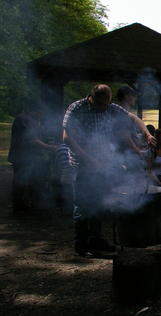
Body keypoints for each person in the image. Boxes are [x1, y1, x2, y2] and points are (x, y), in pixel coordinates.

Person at [63, 84, 156, 257]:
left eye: (108, 104)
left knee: (98, 203)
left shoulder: (110, 107)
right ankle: (81, 245)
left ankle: (96, 240)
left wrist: (147, 134)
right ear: (93, 98)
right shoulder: (77, 108)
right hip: (82, 166)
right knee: (83, 206)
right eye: (102, 104)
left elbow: (134, 119)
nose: (106, 108)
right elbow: (68, 139)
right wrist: (90, 160)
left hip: (102, 165)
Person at [8, 101, 56, 212]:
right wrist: (51, 148)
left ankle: (24, 205)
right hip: (23, 157)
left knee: (26, 181)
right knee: (22, 181)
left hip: (24, 156)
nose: (41, 116)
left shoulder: (25, 119)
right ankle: (20, 206)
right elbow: (33, 141)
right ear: (34, 111)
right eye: (41, 113)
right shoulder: (26, 120)